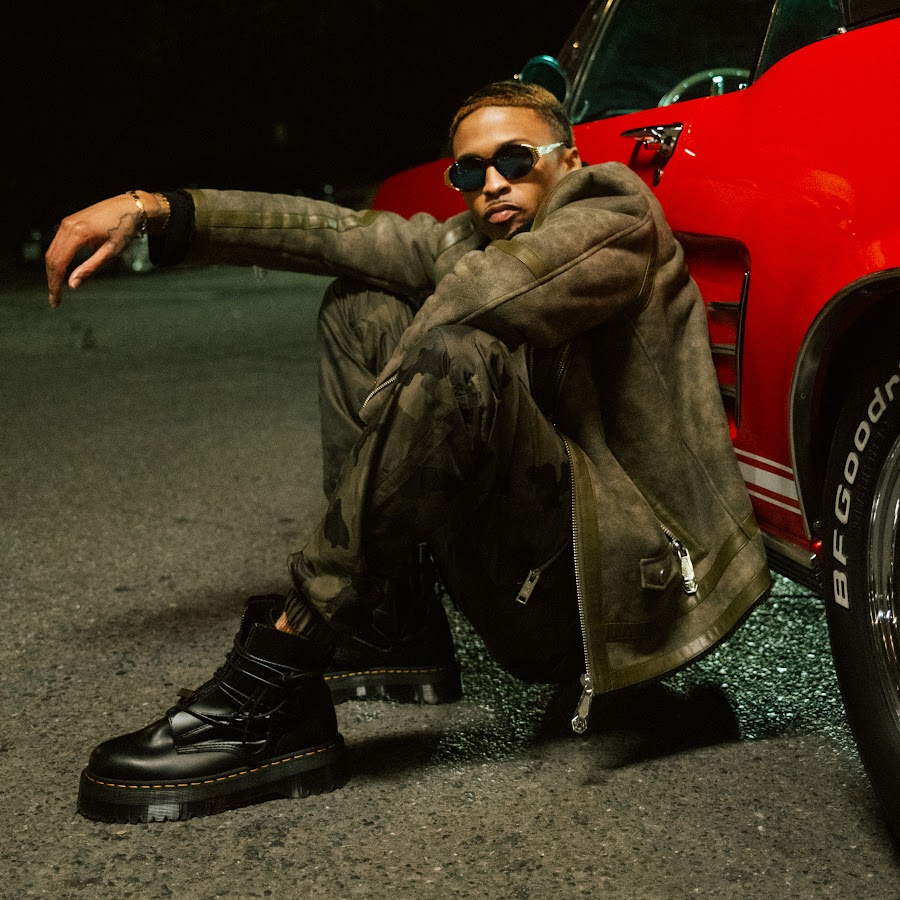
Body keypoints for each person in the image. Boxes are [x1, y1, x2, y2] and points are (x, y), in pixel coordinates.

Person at [45, 80, 772, 824]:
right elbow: (336, 232)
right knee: (359, 305)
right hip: (544, 568)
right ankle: (391, 619)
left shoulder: (613, 213)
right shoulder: (475, 240)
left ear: (568, 158)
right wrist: (154, 208)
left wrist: (398, 402)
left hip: (629, 591)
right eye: (470, 170)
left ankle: (277, 679)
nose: (492, 184)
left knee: (452, 358)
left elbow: (496, 289)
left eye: (515, 159)